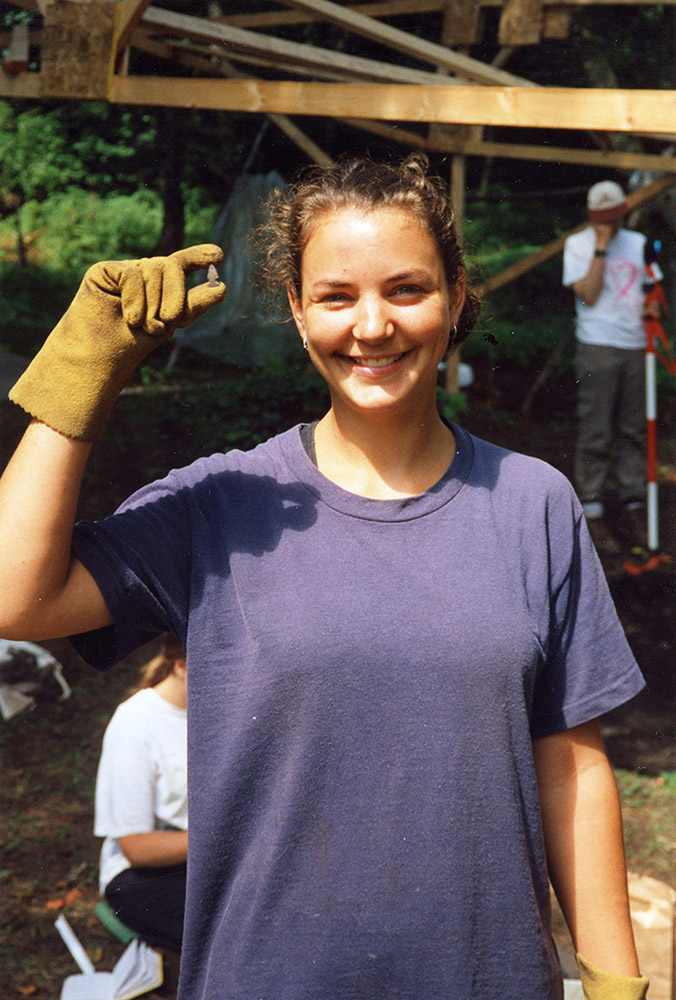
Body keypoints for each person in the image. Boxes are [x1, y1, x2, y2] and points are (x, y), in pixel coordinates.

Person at [0, 155, 649, 1000]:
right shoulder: (220, 502)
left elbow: (572, 767)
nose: (371, 326)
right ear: (299, 314)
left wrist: (613, 985)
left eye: (407, 290)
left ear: (455, 299)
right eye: (337, 297)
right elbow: (18, 595)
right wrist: (75, 381)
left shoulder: (533, 504)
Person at [563, 179, 660, 558]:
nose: (611, 225)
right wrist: (600, 248)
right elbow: (587, 293)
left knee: (634, 429)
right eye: (603, 219)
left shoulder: (638, 243)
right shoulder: (578, 245)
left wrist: (654, 308)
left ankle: (634, 502)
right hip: (598, 346)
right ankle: (592, 507)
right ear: (592, 216)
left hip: (637, 346)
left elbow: (655, 294)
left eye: (615, 218)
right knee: (596, 429)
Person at [95, 634, 187, 952]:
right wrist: (226, 839)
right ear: (182, 666)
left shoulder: (227, 713)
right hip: (141, 876)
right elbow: (137, 848)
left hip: (209, 856)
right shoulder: (136, 721)